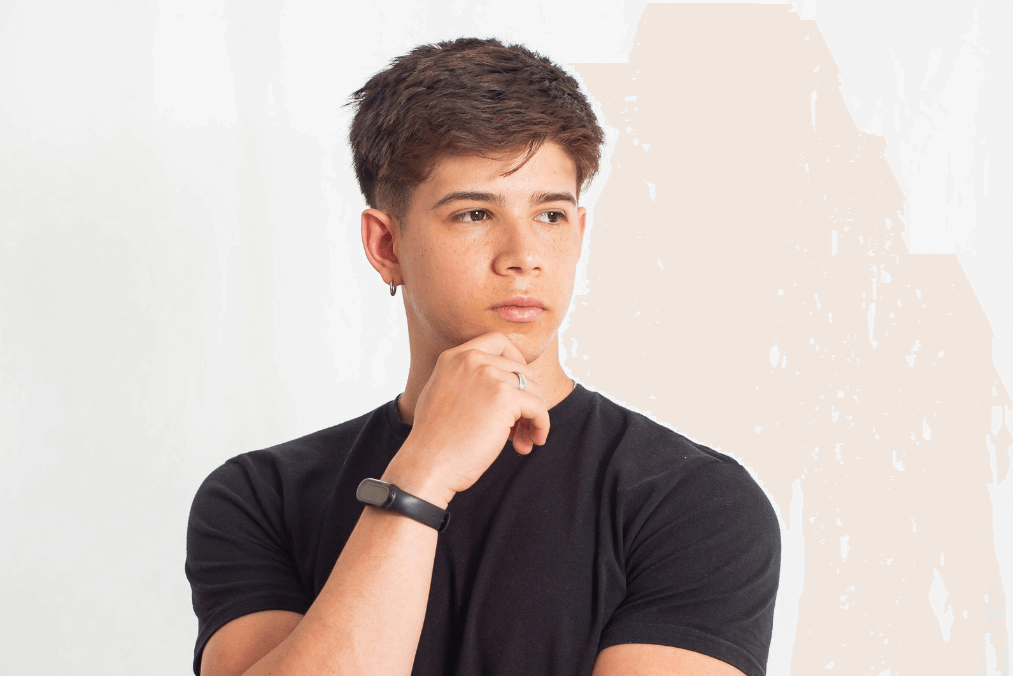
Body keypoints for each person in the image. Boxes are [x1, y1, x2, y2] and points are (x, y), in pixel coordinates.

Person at [185, 37, 781, 676]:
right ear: (386, 246)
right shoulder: (261, 497)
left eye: (550, 216)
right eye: (474, 214)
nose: (523, 256)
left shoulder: (693, 501)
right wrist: (422, 474)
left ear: (579, 233)